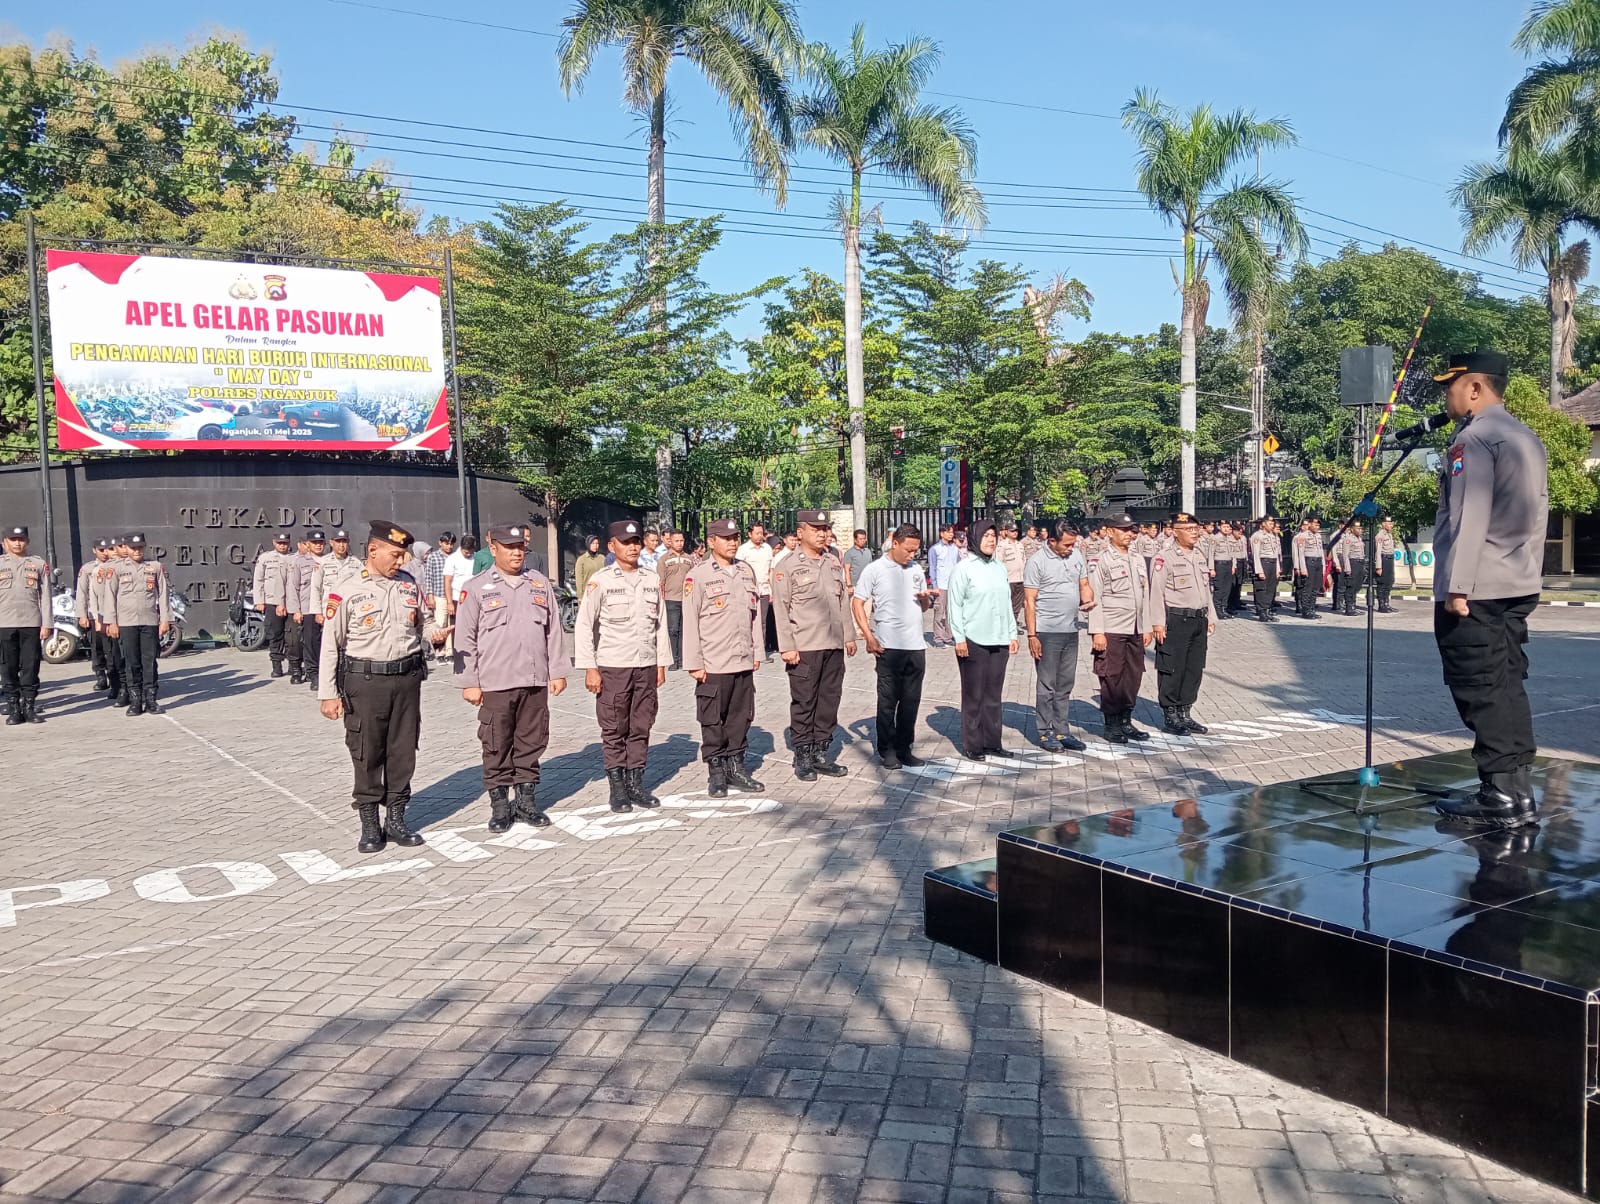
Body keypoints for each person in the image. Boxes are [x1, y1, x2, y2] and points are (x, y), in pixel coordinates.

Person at [1427, 351, 1549, 827]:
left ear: (1475, 388)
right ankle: (1516, 789)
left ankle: (1498, 795)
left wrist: (1457, 587)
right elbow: (1536, 516)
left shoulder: (1475, 438)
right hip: (1514, 581)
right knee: (1507, 683)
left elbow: (1468, 516)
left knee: (1479, 687)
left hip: (1475, 587)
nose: (1446, 395)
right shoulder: (1525, 436)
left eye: (1450, 386)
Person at [318, 521, 453, 853]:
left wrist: (434, 633)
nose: (401, 561)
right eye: (395, 555)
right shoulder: (347, 588)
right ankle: (369, 824)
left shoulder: (407, 584)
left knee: (402, 750)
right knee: (367, 751)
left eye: (404, 555)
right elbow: (330, 645)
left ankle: (396, 819)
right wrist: (328, 693)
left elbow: (424, 621)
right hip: (365, 681)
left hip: (407, 679)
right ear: (373, 550)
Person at [454, 525, 569, 831]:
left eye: (521, 547)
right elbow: (464, 638)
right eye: (509, 547)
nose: (517, 552)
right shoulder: (476, 587)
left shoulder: (538, 583)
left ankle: (527, 803)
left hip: (534, 680)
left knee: (531, 742)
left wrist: (557, 671)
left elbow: (553, 631)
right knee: (496, 744)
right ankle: (500, 806)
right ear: (493, 549)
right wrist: (469, 681)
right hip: (495, 682)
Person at [574, 520, 671, 813]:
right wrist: (590, 667)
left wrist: (662, 663)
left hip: (645, 665)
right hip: (613, 666)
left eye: (636, 542)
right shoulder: (601, 581)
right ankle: (617, 788)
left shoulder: (651, 579)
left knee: (641, 725)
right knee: (615, 728)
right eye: (626, 542)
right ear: (612, 546)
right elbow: (583, 625)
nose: (632, 547)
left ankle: (636, 784)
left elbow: (661, 624)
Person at [681, 518, 765, 797]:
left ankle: (736, 767)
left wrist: (757, 651)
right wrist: (694, 662)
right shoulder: (699, 575)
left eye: (734, 537)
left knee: (741, 717)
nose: (731, 542)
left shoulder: (745, 571)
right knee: (712, 718)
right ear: (711, 541)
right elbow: (690, 621)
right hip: (714, 660)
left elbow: (755, 618)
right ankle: (716, 771)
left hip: (742, 658)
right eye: (725, 537)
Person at [771, 509, 856, 780]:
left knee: (829, 700)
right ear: (800, 532)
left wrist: (849, 635)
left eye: (824, 529)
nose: (822, 533)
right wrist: (787, 645)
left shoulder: (832, 562)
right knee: (805, 701)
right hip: (804, 646)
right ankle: (803, 754)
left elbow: (842, 601)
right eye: (815, 529)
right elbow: (781, 610)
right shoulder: (787, 566)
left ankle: (821, 751)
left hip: (832, 645)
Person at [852, 524, 933, 770]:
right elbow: (858, 602)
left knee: (911, 701)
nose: (912, 555)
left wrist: (926, 599)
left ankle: (904, 747)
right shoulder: (875, 570)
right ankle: (886, 749)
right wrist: (868, 636)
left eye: (916, 551)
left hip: (916, 646)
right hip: (888, 646)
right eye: (908, 550)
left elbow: (924, 607)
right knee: (888, 701)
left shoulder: (917, 569)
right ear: (895, 543)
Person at [946, 519, 1018, 762]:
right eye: (986, 535)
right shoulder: (964, 568)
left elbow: (1007, 604)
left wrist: (1012, 634)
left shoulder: (999, 567)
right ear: (975, 538)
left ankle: (992, 742)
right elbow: (954, 605)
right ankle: (973, 745)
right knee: (974, 695)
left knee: (993, 695)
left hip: (999, 640)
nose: (991, 539)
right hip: (973, 640)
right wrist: (959, 638)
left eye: (993, 535)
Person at [1024, 520, 1090, 753]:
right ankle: (1045, 732)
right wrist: (1032, 635)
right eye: (1067, 544)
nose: (1071, 548)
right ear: (1052, 541)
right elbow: (1029, 600)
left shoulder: (1077, 557)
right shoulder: (1036, 562)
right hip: (1047, 632)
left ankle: (1062, 730)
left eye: (1073, 544)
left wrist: (1088, 599)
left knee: (1065, 684)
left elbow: (1084, 584)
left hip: (1071, 630)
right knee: (1047, 686)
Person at [1085, 513, 1152, 744]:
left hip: (1134, 628)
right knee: (1111, 677)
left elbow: (1145, 595)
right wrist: (1098, 631)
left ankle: (1126, 720)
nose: (1129, 534)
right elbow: (1094, 598)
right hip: (1112, 627)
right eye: (1123, 530)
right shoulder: (1100, 560)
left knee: (1132, 676)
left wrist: (1147, 626)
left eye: (1131, 530)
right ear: (1110, 531)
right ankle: (1111, 725)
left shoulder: (1137, 559)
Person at [1150, 513, 1217, 735]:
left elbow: (1206, 589)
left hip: (1199, 618)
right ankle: (1170, 715)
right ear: (1175, 531)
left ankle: (1185, 712)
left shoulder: (1198, 555)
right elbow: (1156, 593)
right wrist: (1158, 623)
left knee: (1193, 668)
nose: (1195, 533)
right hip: (1176, 619)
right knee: (1172, 667)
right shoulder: (1164, 557)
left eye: (1196, 528)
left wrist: (1212, 616)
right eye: (1189, 529)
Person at [107, 533, 171, 717]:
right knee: (131, 662)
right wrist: (112, 622)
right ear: (126, 548)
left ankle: (151, 700)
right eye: (133, 548)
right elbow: (110, 597)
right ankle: (135, 701)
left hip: (149, 621)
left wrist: (165, 618)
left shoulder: (154, 567)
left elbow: (163, 595)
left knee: (149, 662)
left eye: (140, 548)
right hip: (126, 623)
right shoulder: (117, 568)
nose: (137, 551)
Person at [0, 524, 49, 725]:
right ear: (4, 543)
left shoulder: (37, 564)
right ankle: (14, 708)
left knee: (30, 666)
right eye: (13, 540)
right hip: (5, 623)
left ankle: (29, 706)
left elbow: (45, 596)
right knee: (8, 667)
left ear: (27, 541)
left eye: (21, 539)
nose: (18, 543)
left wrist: (47, 623)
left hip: (31, 622)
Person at [74, 538, 116, 695]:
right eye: (101, 550)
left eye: (108, 549)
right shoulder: (88, 569)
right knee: (97, 647)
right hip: (94, 615)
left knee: (112, 649)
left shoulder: (115, 567)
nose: (105, 553)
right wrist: (82, 615)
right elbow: (82, 593)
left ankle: (115, 679)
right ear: (94, 550)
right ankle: (100, 676)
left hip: (112, 615)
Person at [91, 536, 130, 705]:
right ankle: (118, 687)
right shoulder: (102, 570)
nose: (116, 551)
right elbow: (95, 596)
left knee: (133, 656)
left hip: (129, 618)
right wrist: (98, 619)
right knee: (113, 656)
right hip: (109, 618)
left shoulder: (137, 567)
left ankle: (136, 687)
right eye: (114, 548)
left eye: (120, 547)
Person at [254, 532, 295, 678]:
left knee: (292, 636)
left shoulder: (294, 558)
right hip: (271, 601)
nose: (282, 546)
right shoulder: (265, 558)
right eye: (280, 543)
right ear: (274, 543)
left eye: (285, 543)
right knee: (275, 634)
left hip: (290, 602)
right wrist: (259, 600)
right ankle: (276, 666)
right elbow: (258, 580)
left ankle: (293, 665)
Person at [290, 530, 328, 691]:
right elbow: (293, 587)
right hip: (307, 609)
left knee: (327, 643)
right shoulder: (299, 562)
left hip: (327, 608)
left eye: (320, 543)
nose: (318, 545)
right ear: (308, 544)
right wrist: (296, 610)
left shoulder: (330, 561)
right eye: (314, 543)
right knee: (311, 643)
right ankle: (314, 675)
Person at [656, 529, 695, 671]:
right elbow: (661, 581)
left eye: (682, 540)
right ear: (670, 542)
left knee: (686, 630)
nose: (679, 543)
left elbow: (693, 579)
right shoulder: (663, 559)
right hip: (671, 599)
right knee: (673, 630)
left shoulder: (689, 559)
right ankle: (674, 660)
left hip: (687, 599)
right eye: (676, 541)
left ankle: (685, 659)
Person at [736, 522, 776, 659]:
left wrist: (772, 590)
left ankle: (761, 652)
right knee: (748, 621)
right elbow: (738, 570)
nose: (760, 536)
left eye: (762, 533)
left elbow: (771, 570)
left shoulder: (767, 549)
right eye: (757, 533)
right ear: (749, 534)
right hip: (748, 590)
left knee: (762, 621)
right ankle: (747, 650)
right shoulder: (743, 550)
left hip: (764, 589)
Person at [928, 523, 961, 647]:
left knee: (951, 613)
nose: (951, 534)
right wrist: (934, 585)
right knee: (939, 612)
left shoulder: (955, 548)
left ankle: (948, 636)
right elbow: (932, 568)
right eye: (948, 532)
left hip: (952, 586)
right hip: (941, 585)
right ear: (942, 533)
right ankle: (938, 638)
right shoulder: (935, 549)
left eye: (952, 532)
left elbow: (958, 566)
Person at [1332, 520, 1368, 615]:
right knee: (1349, 586)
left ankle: (1352, 605)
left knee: (1357, 585)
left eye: (1361, 528)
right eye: (1358, 528)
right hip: (1352, 563)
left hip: (1359, 563)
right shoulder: (1348, 539)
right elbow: (1345, 555)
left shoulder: (1359, 538)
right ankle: (1348, 607)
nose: (1360, 530)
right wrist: (1347, 568)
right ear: (1352, 529)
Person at [1291, 517, 1324, 620]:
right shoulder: (1302, 536)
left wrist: (1323, 565)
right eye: (1315, 524)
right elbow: (1300, 553)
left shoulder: (1318, 536)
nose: (1317, 527)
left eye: (1318, 525)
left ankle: (1312, 609)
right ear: (1309, 524)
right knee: (1308, 588)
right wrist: (1302, 568)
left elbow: (1321, 551)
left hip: (1318, 562)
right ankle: (1306, 611)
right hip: (1309, 562)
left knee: (1315, 588)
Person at [996, 524, 1028, 627]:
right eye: (1012, 531)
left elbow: (1024, 560)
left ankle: (1013, 624)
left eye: (1016, 531)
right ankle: (1006, 625)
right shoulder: (1002, 545)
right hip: (1008, 579)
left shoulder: (1020, 545)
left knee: (1017, 604)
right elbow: (998, 562)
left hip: (1020, 578)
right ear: (1007, 532)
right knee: (1007, 604)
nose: (1015, 533)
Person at [1248, 518, 1280, 622]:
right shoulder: (1257, 536)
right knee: (1262, 589)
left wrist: (1277, 569)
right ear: (1263, 524)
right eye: (1269, 523)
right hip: (1263, 563)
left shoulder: (1273, 536)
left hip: (1272, 563)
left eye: (1272, 524)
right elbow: (1255, 555)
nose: (1272, 525)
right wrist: (1259, 570)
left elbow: (1276, 554)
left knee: (1271, 588)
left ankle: (1267, 610)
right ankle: (1262, 611)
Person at [443, 535, 478, 619]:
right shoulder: (452, 559)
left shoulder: (477, 557)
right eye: (466, 552)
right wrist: (449, 603)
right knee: (457, 625)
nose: (469, 554)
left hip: (474, 598)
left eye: (471, 552)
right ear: (461, 547)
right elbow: (448, 581)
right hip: (457, 598)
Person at [1374, 516, 1398, 612]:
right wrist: (1378, 566)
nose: (1391, 525)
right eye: (1389, 523)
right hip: (1383, 560)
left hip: (1389, 560)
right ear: (1383, 524)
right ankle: (1382, 605)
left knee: (1389, 582)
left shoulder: (1389, 535)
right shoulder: (1380, 536)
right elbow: (1378, 552)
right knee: (1382, 583)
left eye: (1391, 523)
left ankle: (1387, 603)